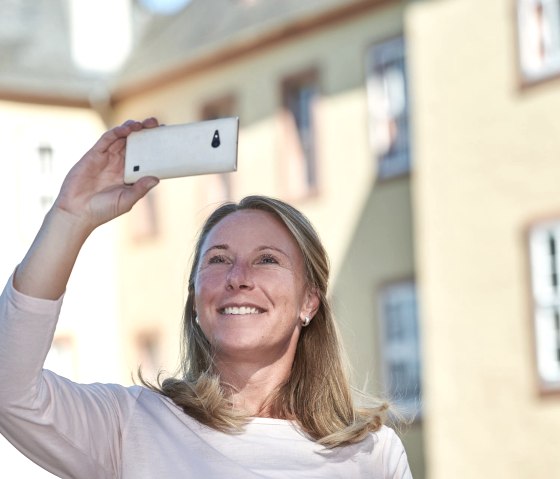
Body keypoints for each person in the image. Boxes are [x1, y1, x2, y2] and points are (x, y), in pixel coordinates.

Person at [0, 119, 413, 478]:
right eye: (218, 260)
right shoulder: (132, 426)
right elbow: (9, 388)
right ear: (196, 302)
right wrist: (70, 217)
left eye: (266, 259)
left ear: (309, 302)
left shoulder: (374, 454)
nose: (238, 278)